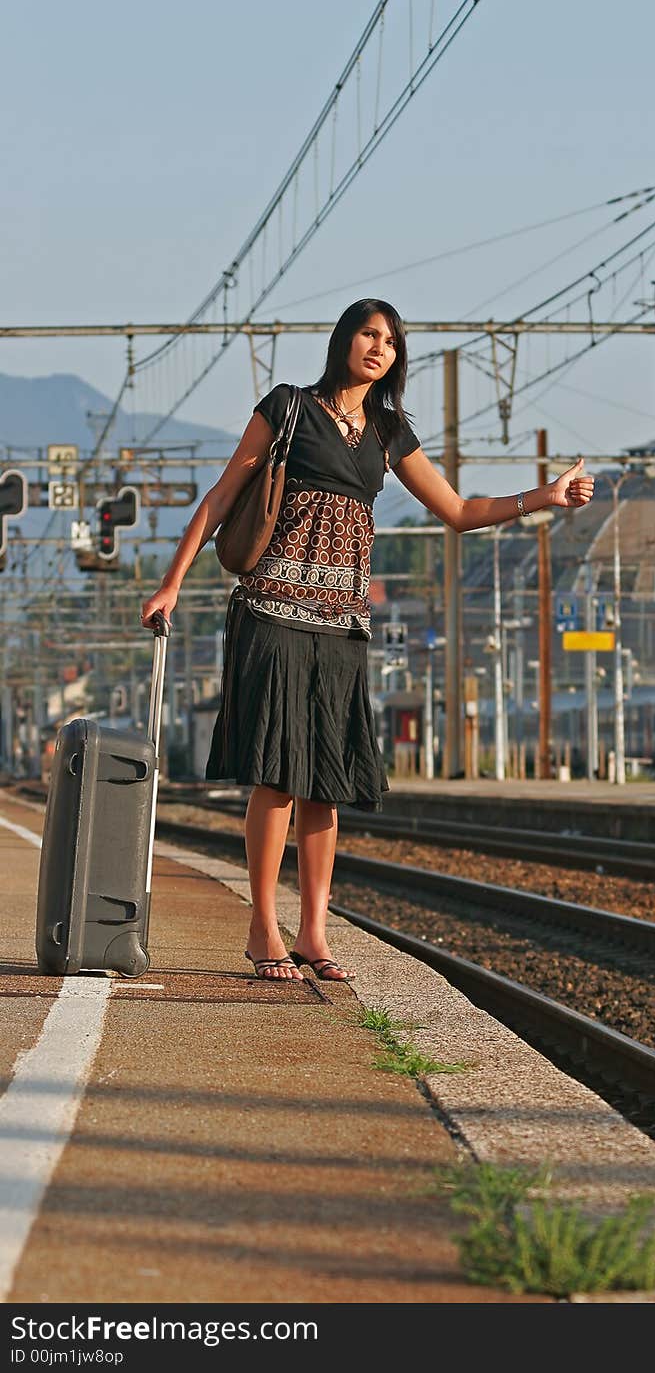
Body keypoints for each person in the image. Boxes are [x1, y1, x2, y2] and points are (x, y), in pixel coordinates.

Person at [141, 298, 594, 983]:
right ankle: (264, 924)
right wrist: (172, 582)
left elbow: (460, 511)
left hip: (344, 624)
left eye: (390, 340)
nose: (379, 347)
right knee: (276, 774)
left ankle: (315, 930)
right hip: (272, 610)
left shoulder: (387, 431)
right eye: (368, 334)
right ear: (344, 340)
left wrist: (546, 498)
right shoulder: (288, 406)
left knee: (325, 781)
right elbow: (222, 496)